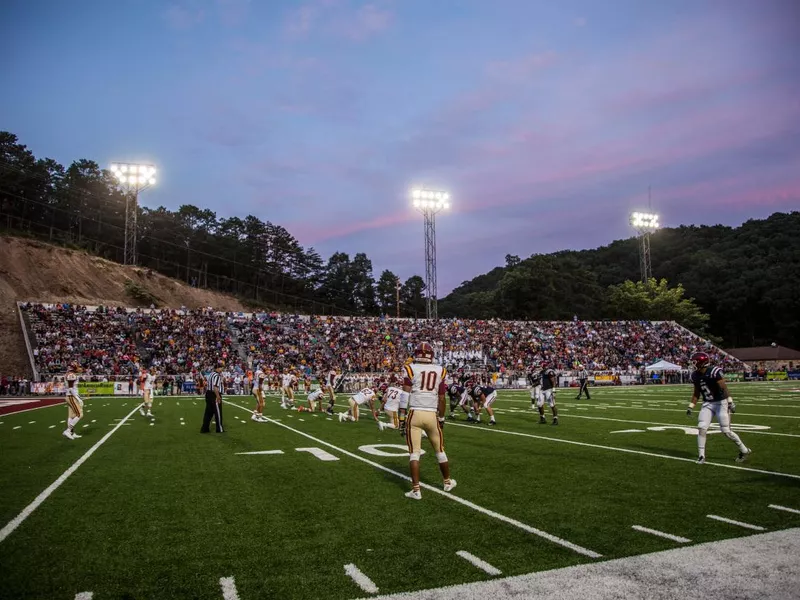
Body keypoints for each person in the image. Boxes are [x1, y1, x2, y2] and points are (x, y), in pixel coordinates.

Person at [400, 341, 455, 500]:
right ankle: (447, 482)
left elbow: (405, 395)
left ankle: (416, 490)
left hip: (415, 413)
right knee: (440, 450)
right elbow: (442, 398)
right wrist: (442, 417)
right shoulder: (440, 370)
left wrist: (402, 417)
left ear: (416, 354)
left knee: (414, 453)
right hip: (432, 415)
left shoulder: (411, 368)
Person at [686, 352, 750, 464]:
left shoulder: (714, 372)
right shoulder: (695, 375)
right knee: (701, 428)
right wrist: (691, 406)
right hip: (708, 403)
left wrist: (730, 402)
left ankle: (744, 450)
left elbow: (724, 388)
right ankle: (701, 456)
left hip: (721, 403)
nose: (692, 364)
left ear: (701, 363)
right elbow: (696, 392)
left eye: (694, 362)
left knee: (726, 431)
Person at [201, 363, 225, 433]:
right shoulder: (217, 375)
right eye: (221, 368)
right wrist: (218, 397)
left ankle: (204, 428)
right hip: (214, 394)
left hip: (208, 394)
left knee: (208, 413)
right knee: (218, 413)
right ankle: (219, 429)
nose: (222, 369)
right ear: (218, 368)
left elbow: (207, 384)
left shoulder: (211, 374)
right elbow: (215, 387)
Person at [62, 364, 84, 440]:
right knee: (79, 414)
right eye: (78, 367)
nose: (79, 369)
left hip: (69, 396)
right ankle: (68, 431)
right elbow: (71, 389)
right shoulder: (72, 375)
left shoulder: (69, 374)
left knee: (71, 416)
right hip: (71, 396)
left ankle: (71, 432)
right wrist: (78, 399)